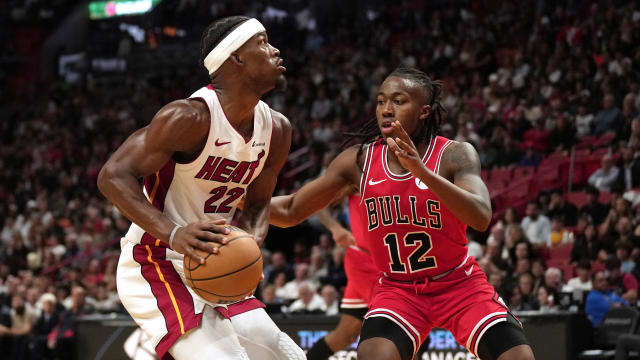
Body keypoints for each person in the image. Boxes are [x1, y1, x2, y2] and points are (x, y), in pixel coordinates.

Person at [267, 68, 534, 360]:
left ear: (424, 111)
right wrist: (231, 200)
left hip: (458, 283)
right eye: (381, 101)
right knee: (373, 354)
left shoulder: (455, 154)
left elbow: (481, 217)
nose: (386, 109)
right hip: (398, 289)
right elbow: (292, 210)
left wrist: (421, 171)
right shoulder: (358, 161)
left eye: (398, 101)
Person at [98, 16, 304, 360]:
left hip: (214, 261)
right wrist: (174, 233)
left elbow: (257, 206)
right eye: (263, 42)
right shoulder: (189, 118)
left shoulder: (277, 130)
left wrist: (249, 245)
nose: (275, 50)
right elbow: (112, 176)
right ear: (236, 57)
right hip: (157, 261)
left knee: (288, 356)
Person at [306, 194, 380, 360]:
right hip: (364, 260)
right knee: (397, 326)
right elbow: (318, 201)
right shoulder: (358, 173)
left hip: (390, 260)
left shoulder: (411, 173)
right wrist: (335, 227)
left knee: (347, 333)